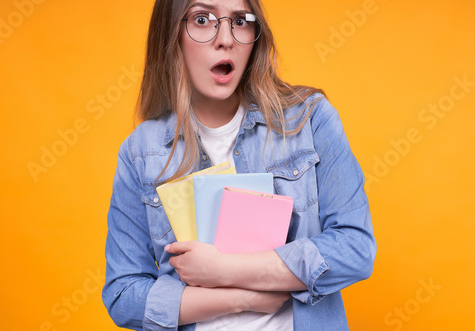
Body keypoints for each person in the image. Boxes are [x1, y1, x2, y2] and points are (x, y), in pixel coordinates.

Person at [102, 0, 377, 330]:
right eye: (202, 19)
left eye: (241, 20)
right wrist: (242, 298)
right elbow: (123, 294)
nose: (226, 38)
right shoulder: (139, 153)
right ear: (171, 34)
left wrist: (224, 269)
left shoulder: (310, 119)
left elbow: (355, 249)